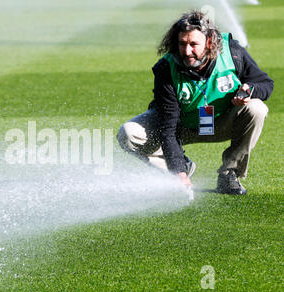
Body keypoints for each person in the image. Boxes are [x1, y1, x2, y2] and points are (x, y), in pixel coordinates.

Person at [117, 10, 273, 195]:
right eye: (182, 44)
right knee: (128, 134)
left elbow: (265, 83)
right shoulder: (166, 68)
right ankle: (180, 166)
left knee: (256, 108)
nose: (187, 51)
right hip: (182, 127)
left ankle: (229, 173)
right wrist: (179, 171)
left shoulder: (232, 52)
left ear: (209, 42)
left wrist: (250, 90)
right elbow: (168, 127)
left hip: (222, 122)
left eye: (193, 44)